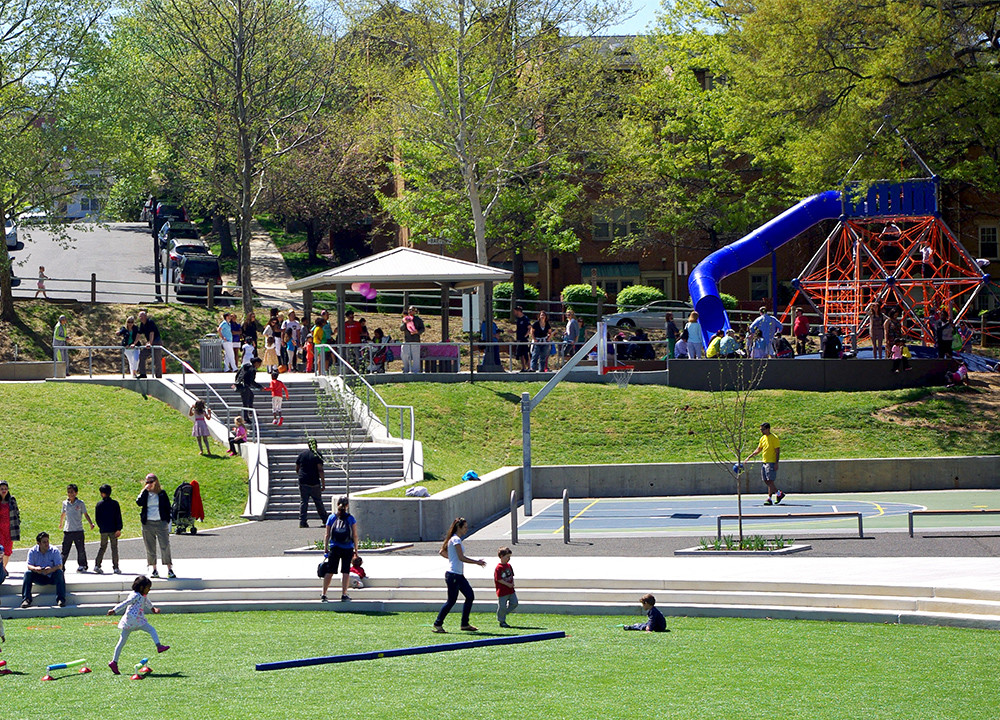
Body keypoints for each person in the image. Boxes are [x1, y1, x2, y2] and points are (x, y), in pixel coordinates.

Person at [106, 575, 169, 675]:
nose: (149, 590)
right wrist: (114, 610)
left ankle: (114, 662)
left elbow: (147, 602)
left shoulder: (142, 595)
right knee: (151, 629)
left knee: (121, 642)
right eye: (148, 588)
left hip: (129, 622)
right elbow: (125, 603)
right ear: (141, 587)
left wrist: (153, 609)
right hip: (136, 620)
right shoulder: (135, 595)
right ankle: (159, 646)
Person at [432, 517, 486, 633]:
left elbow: (442, 552)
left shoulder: (453, 539)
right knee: (452, 601)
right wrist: (477, 562)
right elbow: (461, 557)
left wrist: (452, 559)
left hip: (457, 575)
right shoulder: (456, 540)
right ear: (459, 527)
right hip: (454, 575)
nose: (466, 529)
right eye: (465, 527)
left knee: (469, 596)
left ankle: (464, 624)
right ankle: (438, 623)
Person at [321, 496, 360, 602]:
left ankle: (324, 594)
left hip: (334, 547)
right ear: (347, 506)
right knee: (345, 571)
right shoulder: (350, 518)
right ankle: (344, 594)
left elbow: (327, 534)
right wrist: (356, 549)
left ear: (337, 504)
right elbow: (355, 535)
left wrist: (326, 548)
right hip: (347, 548)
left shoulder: (331, 517)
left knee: (330, 571)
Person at [137, 474, 174, 579]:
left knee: (165, 546)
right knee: (150, 547)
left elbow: (168, 507)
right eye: (147, 482)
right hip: (148, 523)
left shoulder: (162, 493)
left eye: (151, 481)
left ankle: (169, 569)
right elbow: (139, 502)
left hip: (161, 522)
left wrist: (167, 520)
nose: (149, 484)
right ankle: (154, 569)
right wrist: (144, 490)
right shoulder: (145, 494)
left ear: (156, 481)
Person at [20, 532, 66, 608]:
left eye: (47, 541)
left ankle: (61, 600)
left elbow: (60, 566)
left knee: (59, 572)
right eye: (44, 542)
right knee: (28, 573)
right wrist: (36, 569)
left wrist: (51, 570)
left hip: (52, 576)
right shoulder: (32, 551)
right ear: (38, 543)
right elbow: (29, 565)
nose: (47, 544)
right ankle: (26, 599)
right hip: (39, 576)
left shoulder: (54, 550)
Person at [746, 422, 785, 506]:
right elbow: (759, 449)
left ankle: (770, 498)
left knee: (770, 480)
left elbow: (777, 451)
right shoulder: (762, 438)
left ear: (768, 429)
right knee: (766, 480)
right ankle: (778, 494)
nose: (762, 431)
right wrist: (750, 456)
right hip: (764, 462)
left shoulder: (774, 438)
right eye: (761, 429)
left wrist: (776, 463)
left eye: (763, 429)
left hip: (771, 462)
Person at [60, 483, 94, 573]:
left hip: (78, 530)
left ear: (76, 493)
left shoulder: (80, 503)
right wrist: (61, 523)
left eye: (72, 492)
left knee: (80, 549)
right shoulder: (65, 503)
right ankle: (61, 565)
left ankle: (82, 565)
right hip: (68, 530)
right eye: (68, 492)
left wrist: (91, 523)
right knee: (65, 550)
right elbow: (63, 514)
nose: (70, 494)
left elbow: (85, 514)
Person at [296, 439, 328, 528]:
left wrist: (301, 476)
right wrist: (323, 483)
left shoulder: (302, 455)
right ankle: (325, 520)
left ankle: (302, 522)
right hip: (314, 482)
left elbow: (297, 468)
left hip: (303, 481)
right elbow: (320, 470)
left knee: (304, 502)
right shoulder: (317, 455)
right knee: (318, 502)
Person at [94, 484, 123, 575]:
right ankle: (116, 567)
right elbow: (118, 517)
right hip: (113, 529)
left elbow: (97, 518)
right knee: (114, 548)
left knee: (102, 547)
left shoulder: (99, 504)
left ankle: (97, 565)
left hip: (104, 530)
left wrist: (101, 526)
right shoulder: (115, 504)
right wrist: (119, 528)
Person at [233, 356, 264, 423]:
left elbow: (238, 374)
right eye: (259, 364)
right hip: (245, 387)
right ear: (256, 363)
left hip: (240, 385)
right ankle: (246, 418)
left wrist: (236, 382)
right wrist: (260, 387)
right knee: (245, 402)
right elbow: (252, 381)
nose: (259, 366)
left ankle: (250, 411)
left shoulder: (245, 366)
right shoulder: (252, 370)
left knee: (251, 395)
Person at [494, 546, 518, 628]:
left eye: (509, 557)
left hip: (511, 590)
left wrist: (512, 583)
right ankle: (502, 621)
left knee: (514, 603)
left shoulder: (509, 566)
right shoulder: (499, 568)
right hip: (502, 591)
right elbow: (498, 579)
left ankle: (504, 613)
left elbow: (511, 575)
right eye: (507, 557)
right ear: (501, 556)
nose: (508, 559)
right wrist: (508, 584)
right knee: (502, 606)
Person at [0, 481, 20, 575]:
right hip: (0, 530)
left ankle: (3, 569)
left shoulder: (12, 500)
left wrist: (18, 522)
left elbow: (17, 512)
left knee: (8, 550)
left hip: (10, 529)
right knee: (1, 549)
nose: (4, 490)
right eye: (2, 489)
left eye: (5, 488)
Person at [136, 310, 163, 378]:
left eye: (142, 316)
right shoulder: (142, 324)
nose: (141, 318)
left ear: (145, 316)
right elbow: (139, 334)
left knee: (157, 359)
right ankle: (143, 374)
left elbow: (152, 333)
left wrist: (150, 343)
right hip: (149, 342)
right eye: (140, 317)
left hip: (156, 341)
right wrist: (134, 343)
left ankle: (158, 375)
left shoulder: (150, 322)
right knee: (142, 355)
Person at [400, 305, 425, 374]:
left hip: (415, 340)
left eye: (412, 310)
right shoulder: (405, 319)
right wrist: (405, 323)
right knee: (404, 354)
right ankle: (406, 369)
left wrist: (417, 332)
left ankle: (415, 371)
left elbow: (422, 329)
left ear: (415, 312)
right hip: (407, 340)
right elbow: (401, 328)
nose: (410, 311)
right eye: (409, 310)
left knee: (416, 357)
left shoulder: (418, 319)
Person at [513, 306, 531, 372]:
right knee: (520, 354)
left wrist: (526, 335)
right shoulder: (518, 320)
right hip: (519, 339)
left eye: (515, 311)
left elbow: (529, 328)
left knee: (526, 353)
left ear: (518, 311)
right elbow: (518, 329)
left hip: (524, 339)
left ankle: (529, 367)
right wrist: (513, 331)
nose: (514, 313)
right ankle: (524, 368)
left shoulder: (525, 318)